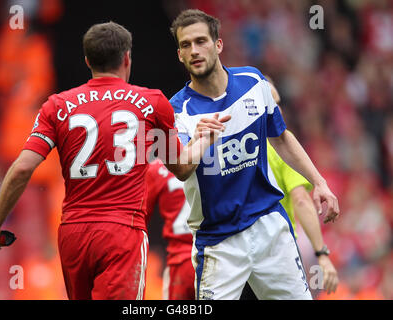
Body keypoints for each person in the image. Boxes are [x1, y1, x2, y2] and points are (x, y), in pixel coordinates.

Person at [0, 21, 228, 300]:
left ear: (87, 61)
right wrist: (202, 139)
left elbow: (23, 167)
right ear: (127, 58)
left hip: (73, 234)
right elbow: (180, 169)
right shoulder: (152, 102)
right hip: (123, 231)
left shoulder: (56, 106)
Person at [169, 9, 340, 300]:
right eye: (186, 45)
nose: (194, 51)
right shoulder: (177, 111)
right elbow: (181, 168)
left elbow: (282, 138)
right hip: (218, 242)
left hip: (268, 227)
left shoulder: (253, 82)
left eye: (201, 41)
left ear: (218, 45)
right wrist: (201, 140)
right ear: (179, 55)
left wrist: (319, 182)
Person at [241, 80, 339, 300]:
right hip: (277, 253)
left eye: (278, 103)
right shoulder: (283, 148)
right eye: (272, 103)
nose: (278, 110)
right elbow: (301, 200)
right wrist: (321, 253)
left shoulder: (233, 148)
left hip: (237, 255)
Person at [145, 159, 195, 300]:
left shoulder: (157, 168)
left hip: (179, 261)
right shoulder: (217, 159)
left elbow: (141, 216)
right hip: (214, 255)